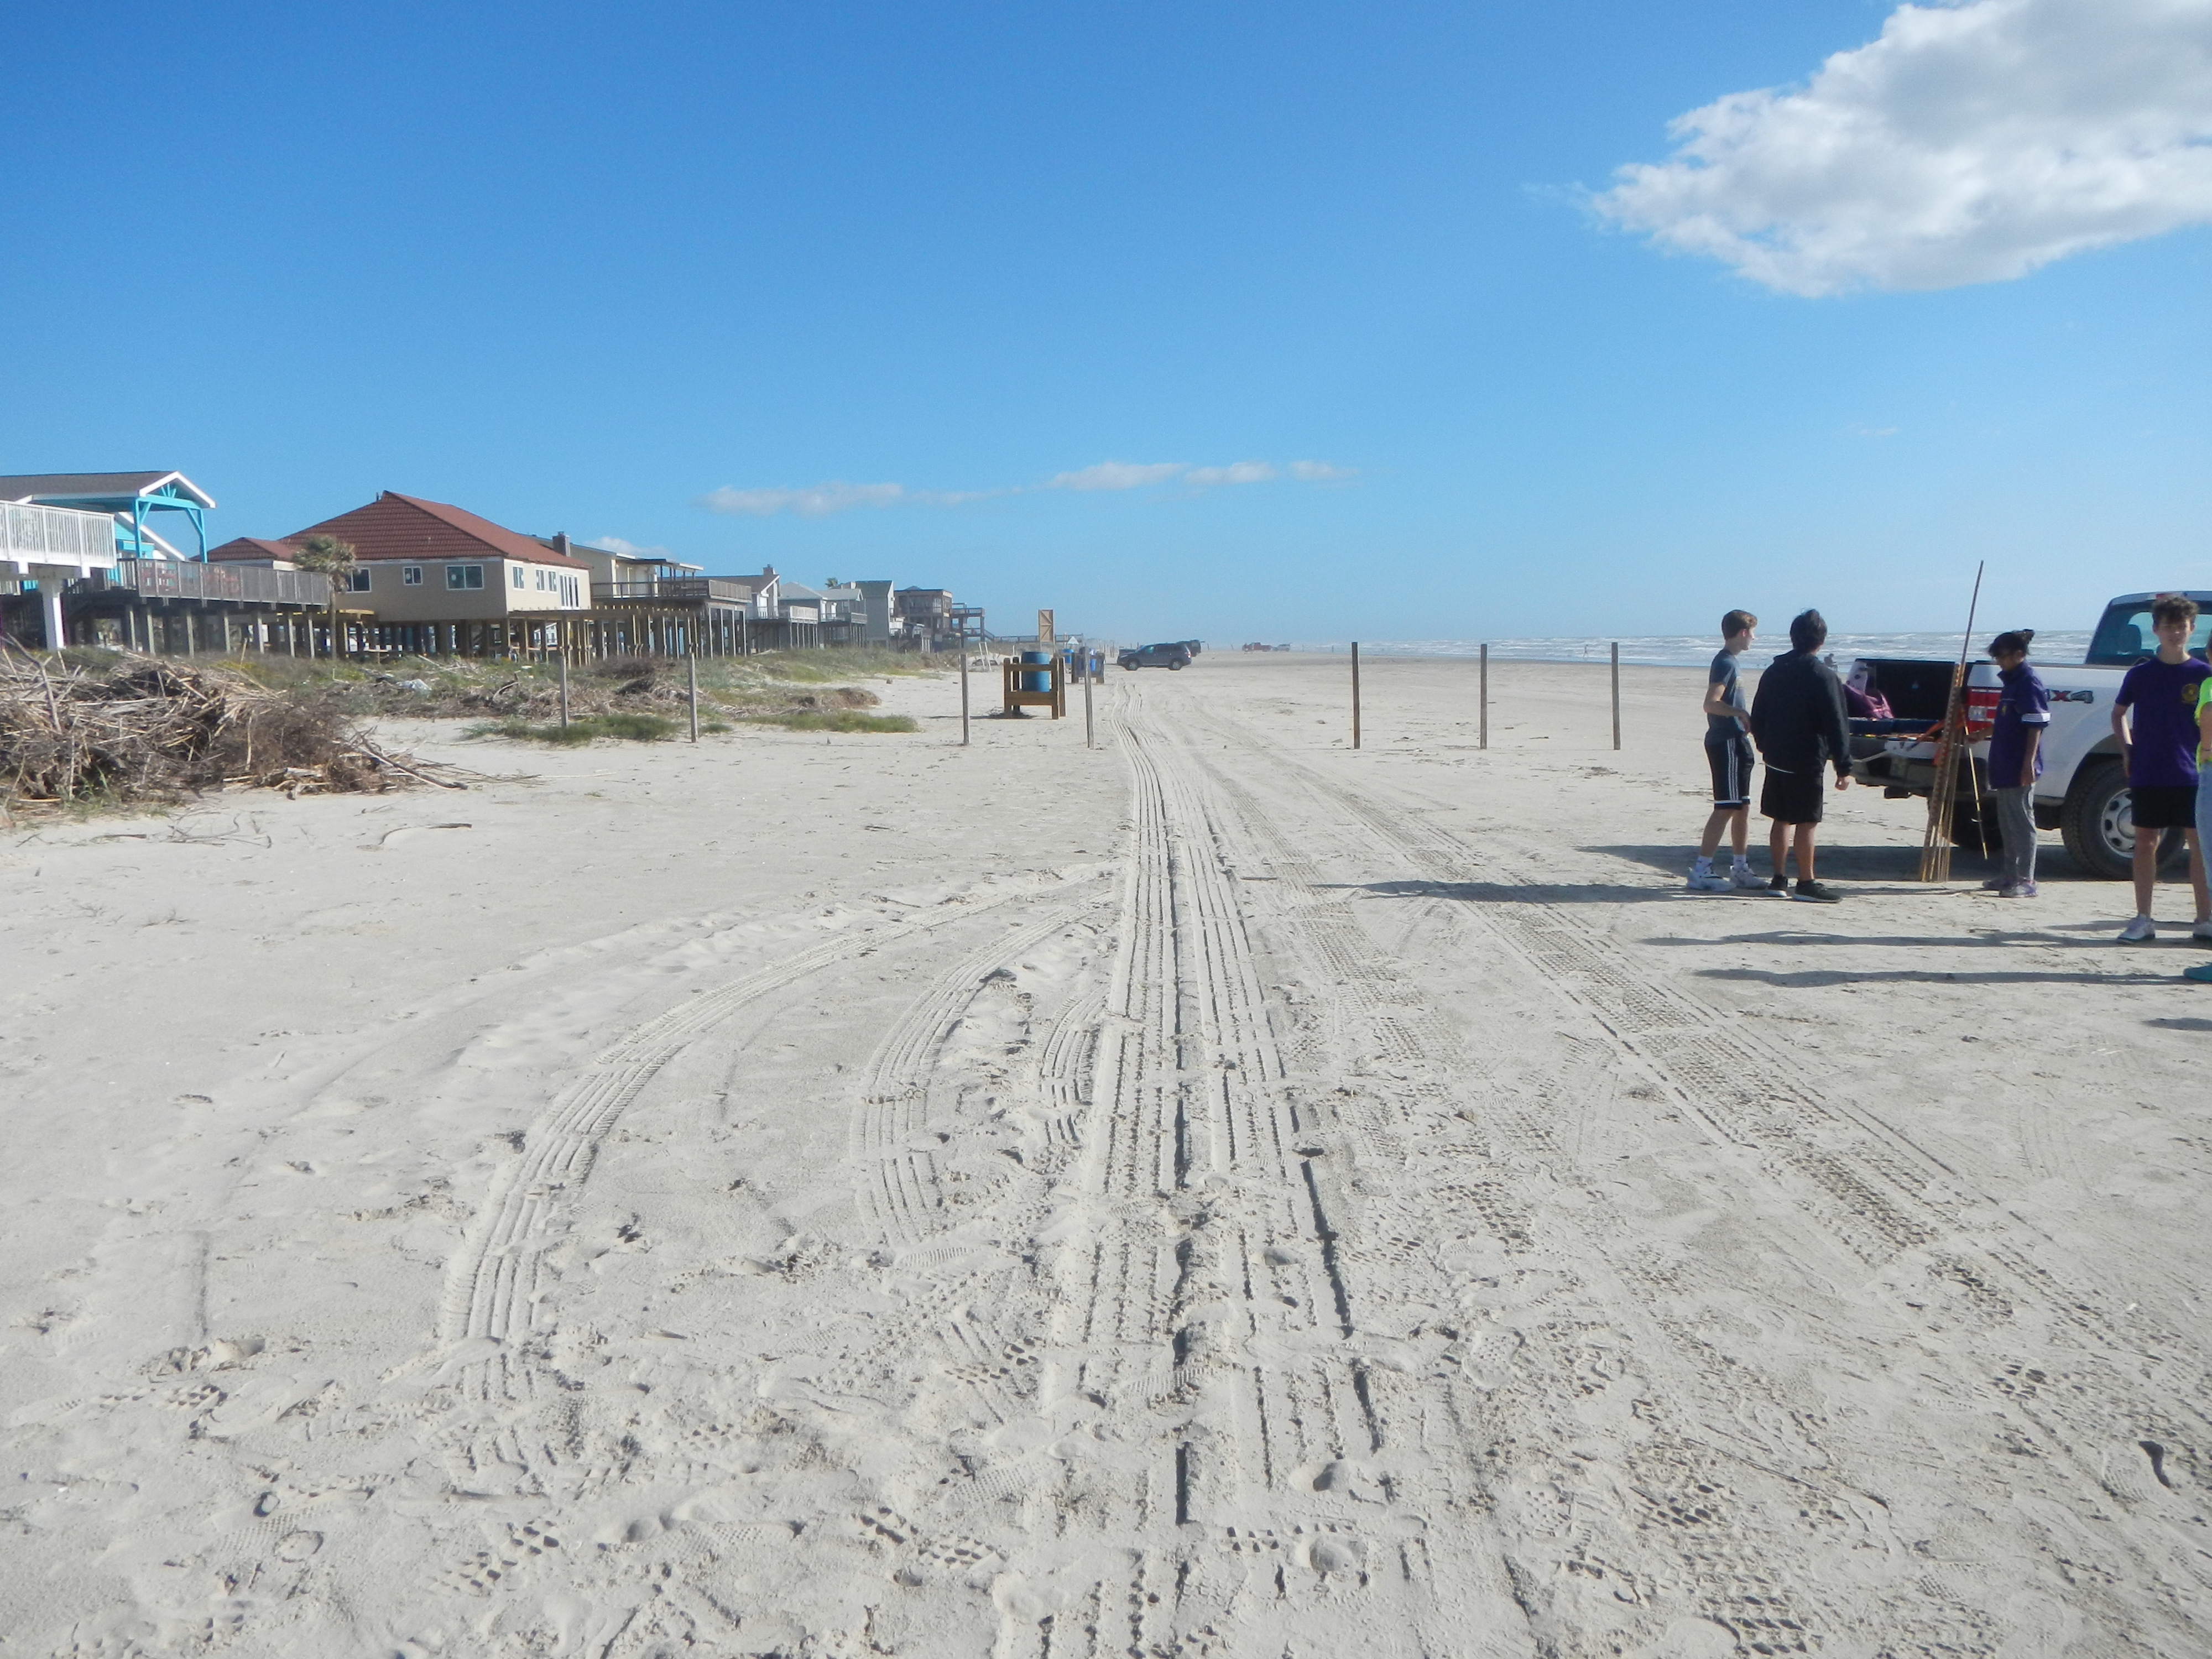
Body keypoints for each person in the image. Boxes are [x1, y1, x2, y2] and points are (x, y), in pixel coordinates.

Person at [2112, 593, 2212, 943]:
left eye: (2182, 627)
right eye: (2168, 627)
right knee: (2144, 841)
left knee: (2199, 845)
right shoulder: (2142, 673)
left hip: (2193, 773)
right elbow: (2119, 713)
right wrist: (2126, 749)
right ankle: (2143, 917)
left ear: (2193, 629)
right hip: (2150, 770)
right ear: (2156, 629)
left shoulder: (2204, 674)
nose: (2175, 633)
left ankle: (2204, 918)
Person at [1747, 609, 1852, 902]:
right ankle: (1806, 882)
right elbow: (1837, 723)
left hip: (1777, 755)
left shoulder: (1774, 671)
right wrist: (1844, 766)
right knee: (1806, 820)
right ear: (1821, 642)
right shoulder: (1823, 676)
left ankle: (1779, 879)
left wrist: (1765, 745)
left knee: (1781, 818)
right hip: (1805, 757)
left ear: (1794, 638)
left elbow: (1759, 715)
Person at [1688, 610, 1765, 893]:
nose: (1755, 638)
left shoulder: (1733, 663)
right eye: (1753, 632)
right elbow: (1711, 703)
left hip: (1737, 741)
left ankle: (1740, 866)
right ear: (1743, 632)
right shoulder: (1724, 663)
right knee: (1726, 807)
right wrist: (1739, 712)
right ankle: (1702, 869)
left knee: (1742, 806)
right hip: (1725, 741)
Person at [1982, 629, 2049, 899]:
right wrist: (1982, 733)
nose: (1999, 661)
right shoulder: (2011, 682)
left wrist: (2029, 763)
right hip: (2004, 761)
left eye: (2002, 656)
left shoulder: (2028, 682)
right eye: (1996, 656)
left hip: (2020, 763)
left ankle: (2027, 879)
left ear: (2019, 655)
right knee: (2007, 821)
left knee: (2022, 821)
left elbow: (2036, 726)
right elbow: (2006, 722)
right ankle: (2010, 875)